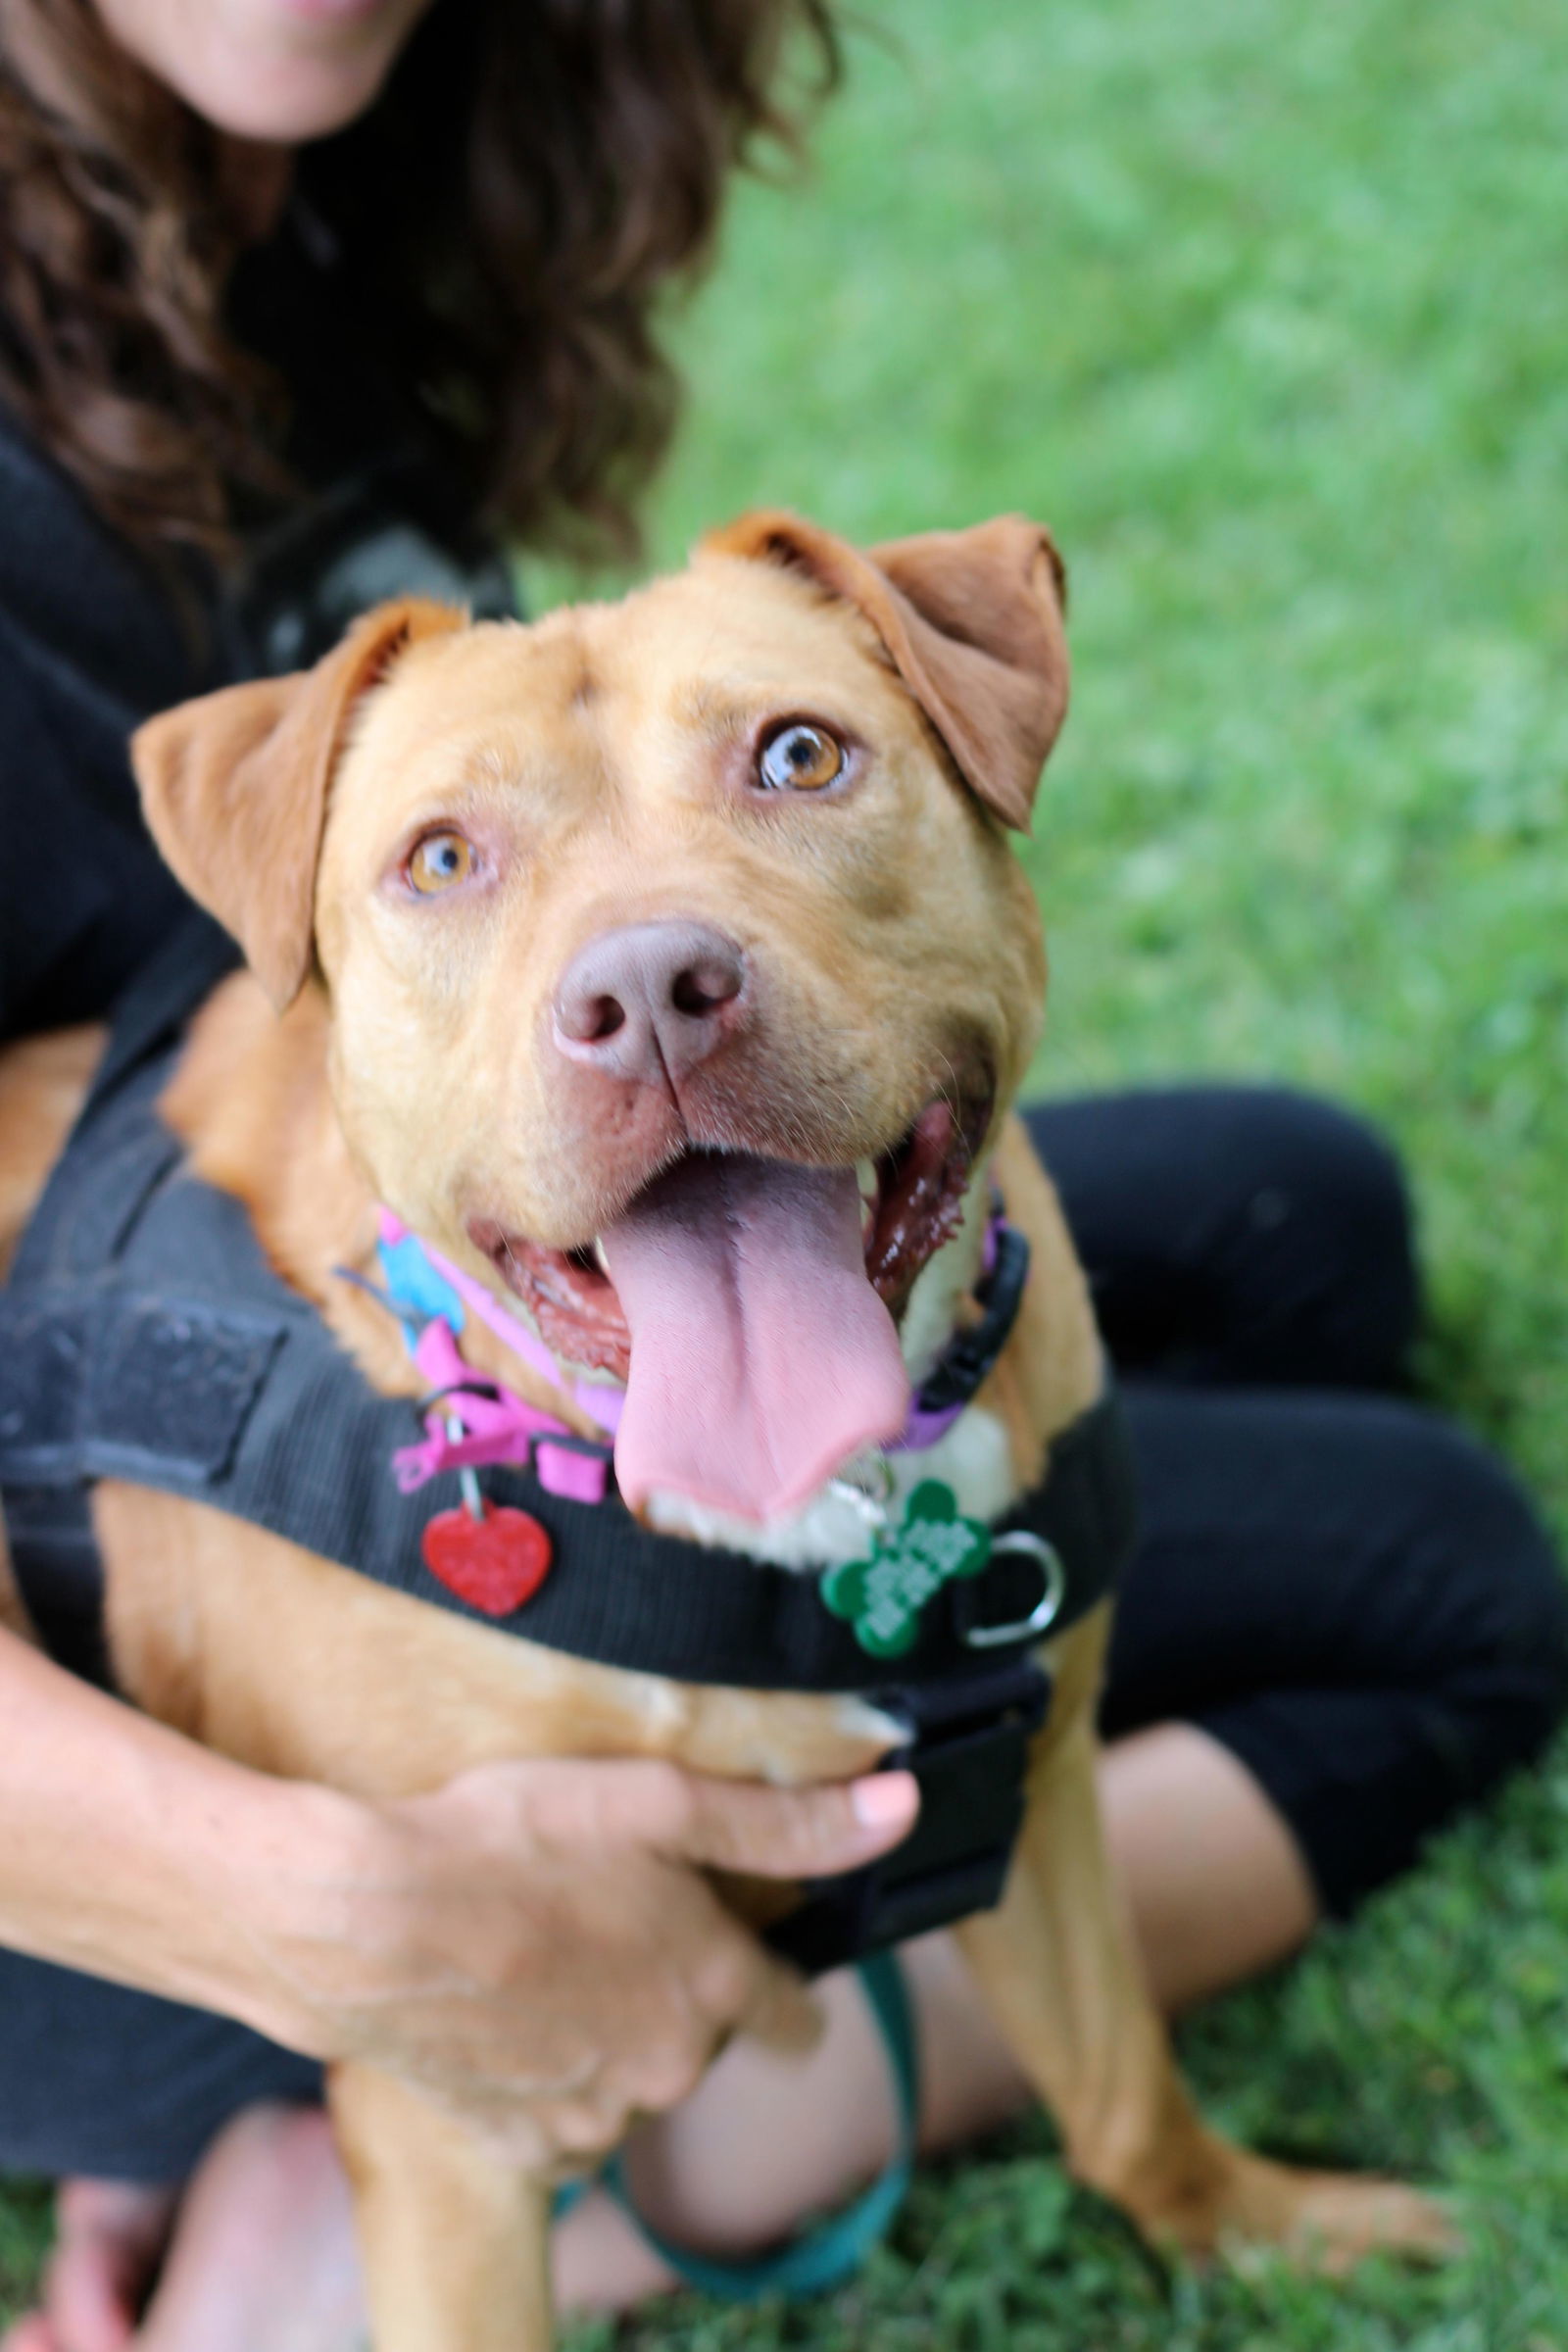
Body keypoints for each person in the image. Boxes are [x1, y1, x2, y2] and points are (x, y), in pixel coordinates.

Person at [0, 5, 1563, 2347]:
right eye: (441, 856)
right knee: (1445, 1575)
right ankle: (407, 2220)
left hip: (451, 1201)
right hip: (114, 1753)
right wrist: (302, 1905)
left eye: (800, 757)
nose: (644, 962)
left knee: (1298, 1218)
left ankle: (986, 1956)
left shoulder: (310, 198)